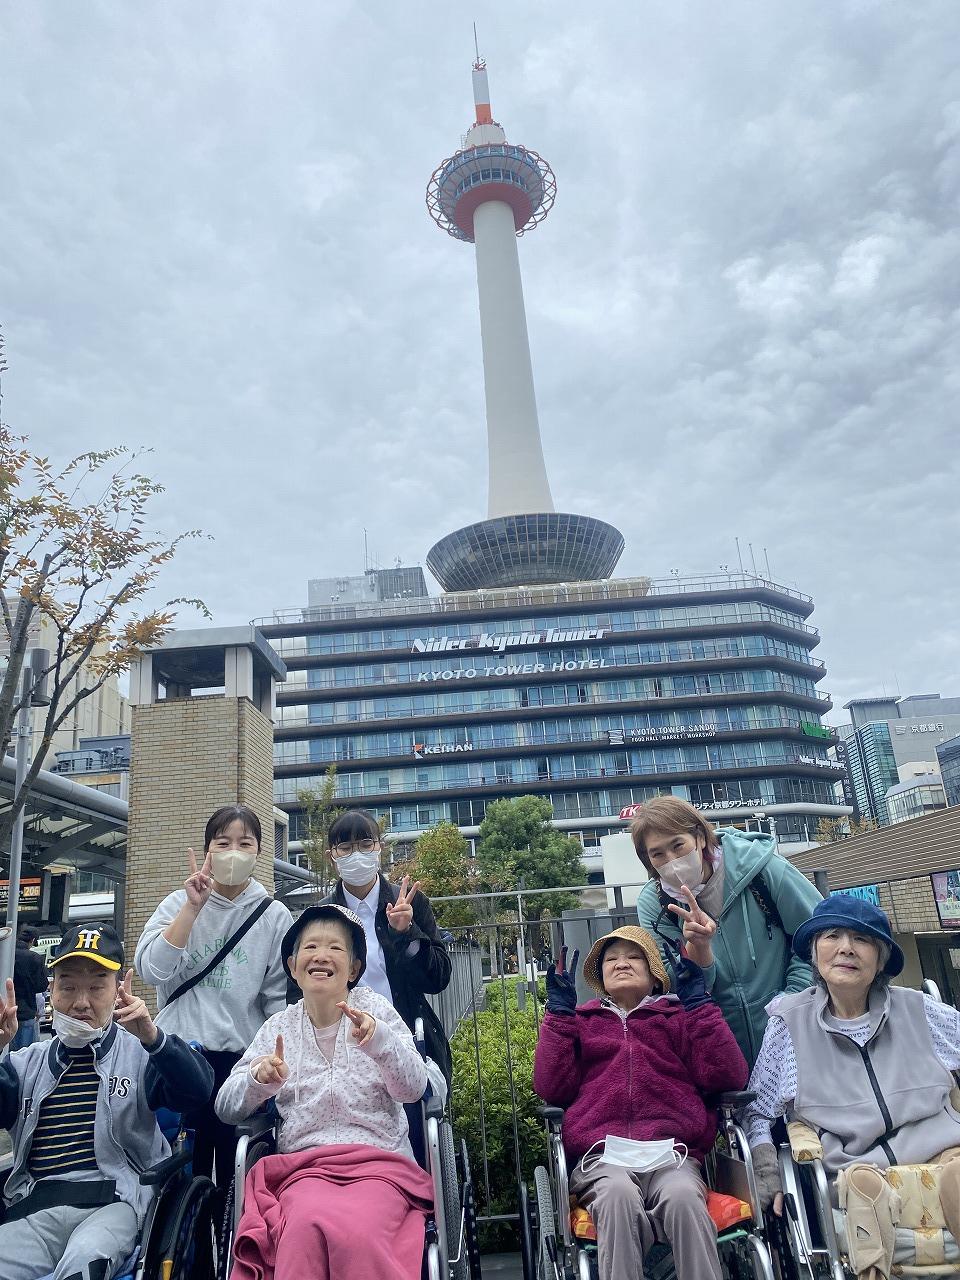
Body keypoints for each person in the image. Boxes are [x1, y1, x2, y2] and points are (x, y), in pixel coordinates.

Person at [745, 894, 960, 1280]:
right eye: (832, 935)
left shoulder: (920, 1009)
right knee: (862, 1192)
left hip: (944, 1152)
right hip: (854, 1165)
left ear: (880, 959)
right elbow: (758, 1109)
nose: (846, 947)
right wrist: (765, 1171)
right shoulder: (789, 1023)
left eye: (862, 939)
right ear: (815, 953)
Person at [216, 903, 434, 1280]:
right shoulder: (277, 1027)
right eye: (310, 947)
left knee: (360, 1235)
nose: (321, 955)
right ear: (292, 966)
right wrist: (257, 1081)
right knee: (301, 1230)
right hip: (305, 1170)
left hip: (378, 1165)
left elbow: (414, 1089)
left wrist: (381, 1043)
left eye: (335, 947)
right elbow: (225, 1106)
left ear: (353, 969)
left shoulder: (377, 1012)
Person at [533, 924, 749, 1280]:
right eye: (612, 958)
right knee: (617, 1196)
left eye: (635, 956)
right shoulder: (583, 1023)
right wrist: (557, 1016)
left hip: (672, 1155)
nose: (622, 963)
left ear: (654, 976)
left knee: (682, 1198)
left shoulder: (678, 1019)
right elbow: (551, 1088)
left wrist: (699, 1005)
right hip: (602, 1157)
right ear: (600, 977)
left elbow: (728, 1077)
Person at [0, 922, 213, 1280]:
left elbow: (198, 1091)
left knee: (85, 1265)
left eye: (97, 987)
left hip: (115, 1203)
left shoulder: (141, 1054)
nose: (81, 1002)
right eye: (67, 986)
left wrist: (152, 1036)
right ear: (51, 991)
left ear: (118, 990)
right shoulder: (26, 1063)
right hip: (36, 1205)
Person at [135, 803, 293, 1192]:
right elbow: (150, 969)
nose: (234, 852)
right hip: (178, 1059)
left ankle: (226, 1246)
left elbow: (276, 998)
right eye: (223, 843)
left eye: (245, 842)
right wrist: (192, 909)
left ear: (259, 851)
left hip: (239, 1062)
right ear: (207, 850)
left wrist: (280, 1060)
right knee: (176, 1170)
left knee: (232, 1176)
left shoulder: (273, 915)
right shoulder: (177, 903)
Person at [633, 795, 822, 1064]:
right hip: (717, 1045)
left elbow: (819, 934)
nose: (672, 860)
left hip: (792, 1032)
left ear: (699, 837)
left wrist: (791, 1000)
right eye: (658, 854)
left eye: (678, 845)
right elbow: (674, 986)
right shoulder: (655, 903)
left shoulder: (762, 869)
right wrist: (698, 948)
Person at [320, 809, 452, 1084]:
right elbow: (303, 986)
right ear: (331, 856)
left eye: (366, 845)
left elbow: (438, 978)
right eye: (345, 847)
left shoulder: (411, 903)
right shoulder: (322, 915)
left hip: (406, 1041)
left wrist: (405, 933)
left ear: (380, 848)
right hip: (342, 1048)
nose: (357, 854)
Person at [11, 924, 48, 1051]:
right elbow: (42, 985)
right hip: (26, 1010)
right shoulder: (34, 958)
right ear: (32, 940)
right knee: (24, 1053)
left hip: (5, 1011)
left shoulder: (6, 954)